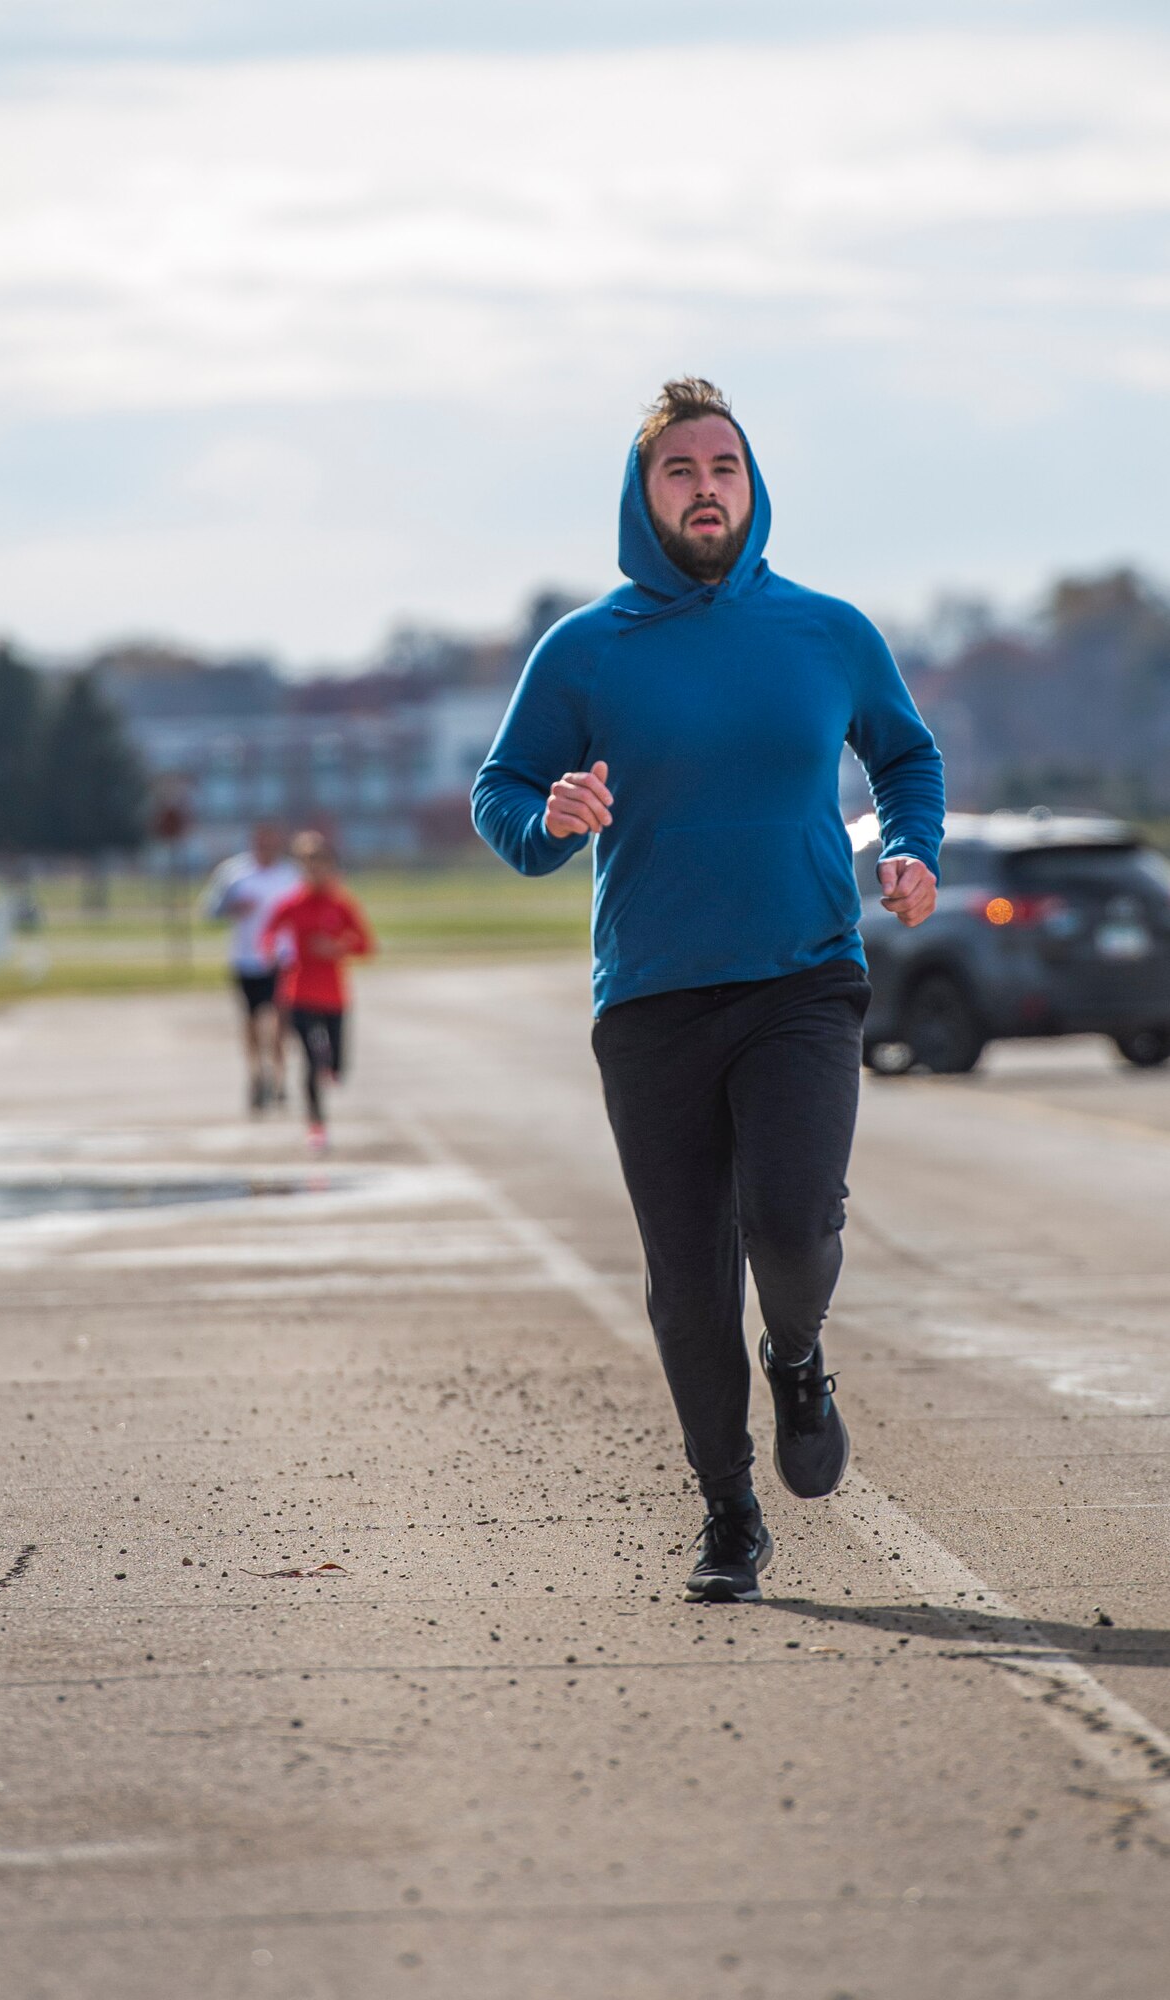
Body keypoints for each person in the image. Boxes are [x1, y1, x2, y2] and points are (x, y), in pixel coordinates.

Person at [472, 377, 944, 1605]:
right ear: (645, 495)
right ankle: (728, 1509)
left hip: (803, 977)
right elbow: (503, 795)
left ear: (753, 484)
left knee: (790, 1228)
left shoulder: (828, 631)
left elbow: (906, 752)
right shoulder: (583, 650)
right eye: (679, 470)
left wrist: (914, 846)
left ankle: (798, 1354)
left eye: (723, 467)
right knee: (688, 1277)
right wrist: (550, 816)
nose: (705, 489)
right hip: (653, 999)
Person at [257, 832, 375, 1155]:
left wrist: (337, 947)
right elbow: (268, 934)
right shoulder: (291, 903)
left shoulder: (340, 904)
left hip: (335, 996)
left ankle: (332, 1065)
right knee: (310, 1060)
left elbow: (366, 945)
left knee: (336, 1064)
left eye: (321, 864)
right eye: (308, 865)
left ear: (330, 866)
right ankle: (317, 1126)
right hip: (299, 994)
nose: (315, 871)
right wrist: (271, 952)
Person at [201, 822, 300, 1113]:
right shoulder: (234, 873)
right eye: (261, 841)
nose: (266, 846)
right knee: (251, 1022)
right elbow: (209, 909)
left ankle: (280, 1078)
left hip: (282, 959)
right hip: (245, 959)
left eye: (271, 841)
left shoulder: (291, 875)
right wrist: (233, 908)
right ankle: (256, 1074)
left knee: (280, 1023)